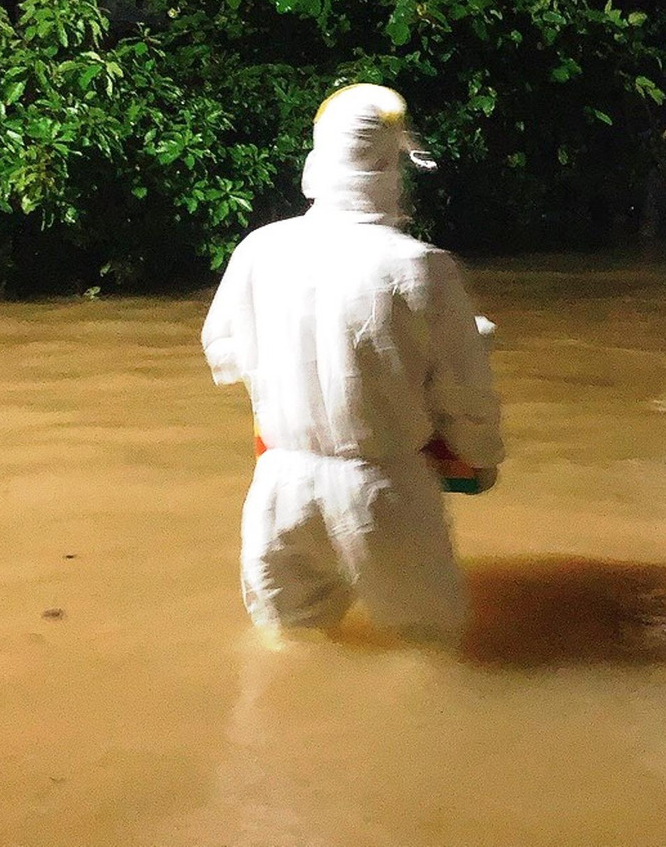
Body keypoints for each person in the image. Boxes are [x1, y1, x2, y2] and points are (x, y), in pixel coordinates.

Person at [201, 83, 504, 644]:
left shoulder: (260, 250)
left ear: (318, 161)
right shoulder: (421, 267)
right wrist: (482, 458)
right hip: (384, 490)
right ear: (391, 169)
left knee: (287, 641)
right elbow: (465, 396)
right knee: (426, 647)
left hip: (280, 486)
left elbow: (228, 352)